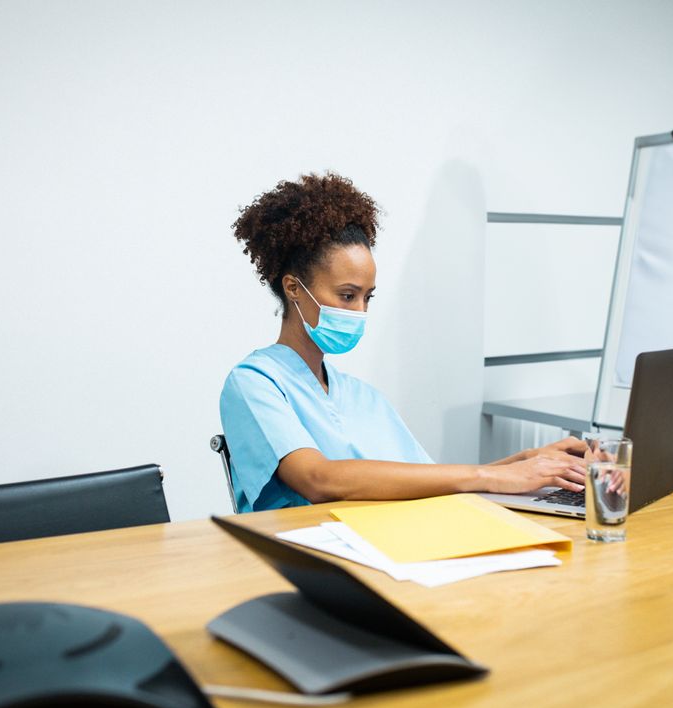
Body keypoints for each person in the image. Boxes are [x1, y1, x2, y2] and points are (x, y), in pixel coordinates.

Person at [219, 172, 587, 513]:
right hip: (311, 561)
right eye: (348, 295)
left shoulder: (362, 397)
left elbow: (425, 482)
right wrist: (495, 475)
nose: (360, 310)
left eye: (368, 297)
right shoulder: (254, 383)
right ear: (294, 289)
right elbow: (319, 479)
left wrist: (530, 461)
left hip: (389, 547)